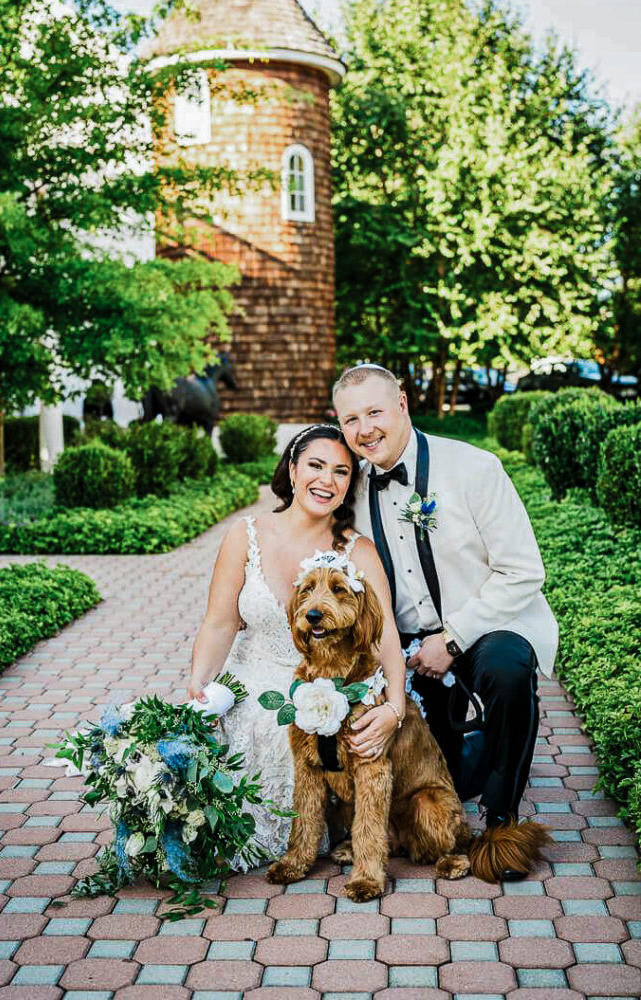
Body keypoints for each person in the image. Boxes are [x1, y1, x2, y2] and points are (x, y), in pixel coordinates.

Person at [332, 364, 559, 880]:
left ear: (403, 405)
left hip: (481, 626)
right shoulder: (350, 488)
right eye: (350, 419)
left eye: (374, 412)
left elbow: (524, 571)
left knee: (507, 666)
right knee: (444, 780)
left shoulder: (474, 468)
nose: (364, 429)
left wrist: (452, 640)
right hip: (403, 644)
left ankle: (501, 820)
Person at [187, 424, 405, 868]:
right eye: (316, 466)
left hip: (325, 688)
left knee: (300, 733)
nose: (327, 480)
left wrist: (394, 709)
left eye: (341, 472)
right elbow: (220, 622)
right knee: (218, 731)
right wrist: (197, 686)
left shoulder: (356, 551)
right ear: (292, 468)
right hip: (249, 679)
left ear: (349, 486)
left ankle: (306, 838)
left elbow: (386, 640)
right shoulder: (244, 534)